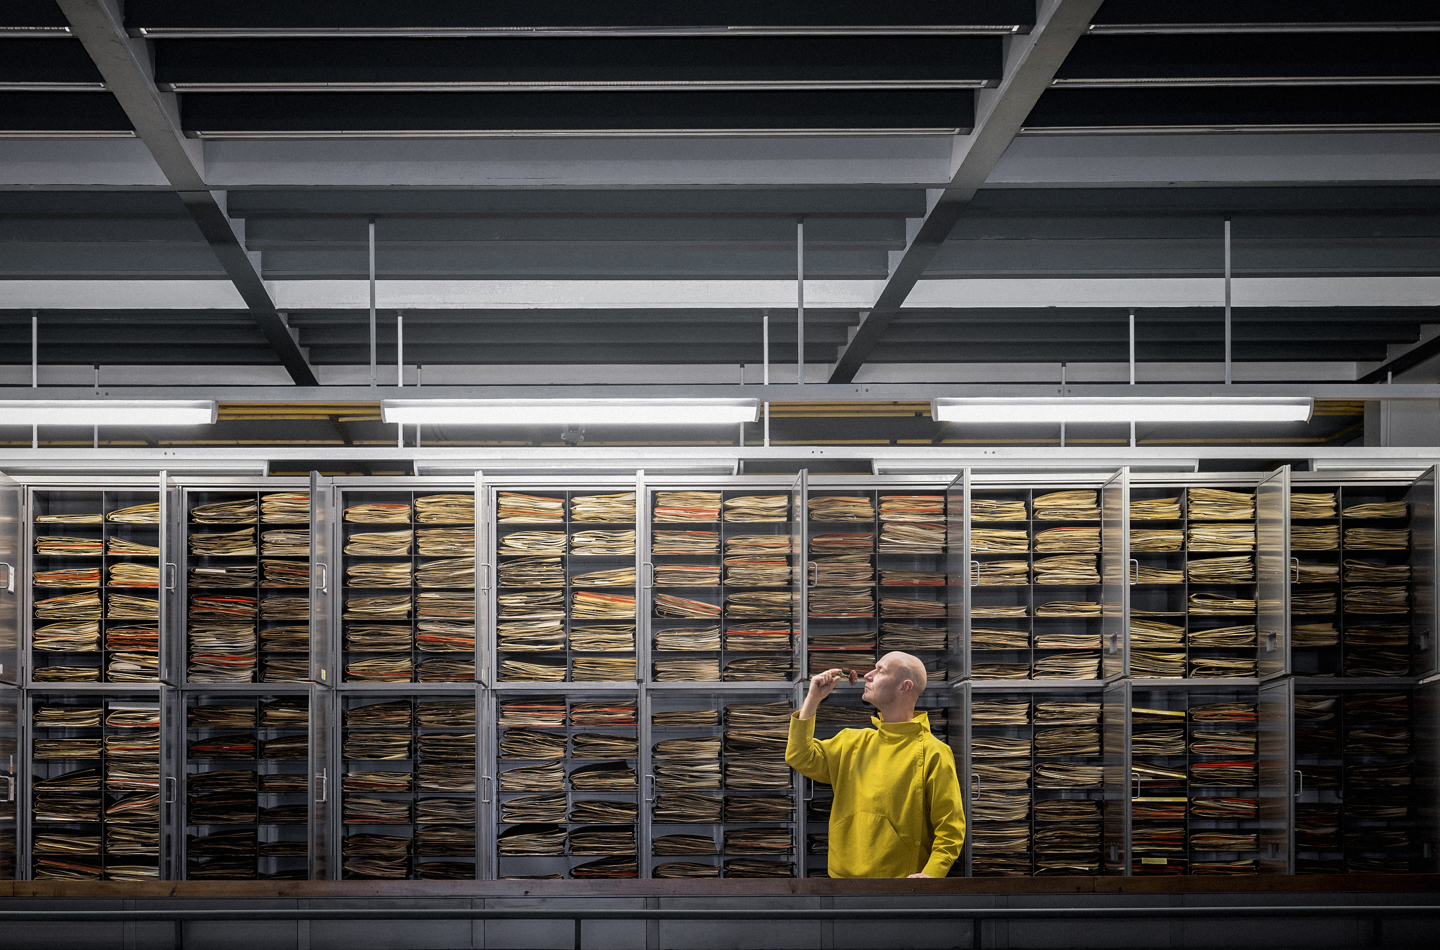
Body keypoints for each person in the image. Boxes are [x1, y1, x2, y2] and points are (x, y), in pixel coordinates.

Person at [785, 651, 964, 878]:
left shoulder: (934, 752)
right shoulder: (851, 742)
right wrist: (813, 699)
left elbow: (951, 828)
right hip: (841, 884)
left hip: (900, 888)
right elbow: (799, 755)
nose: (867, 675)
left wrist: (931, 875)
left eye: (880, 671)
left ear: (904, 686)